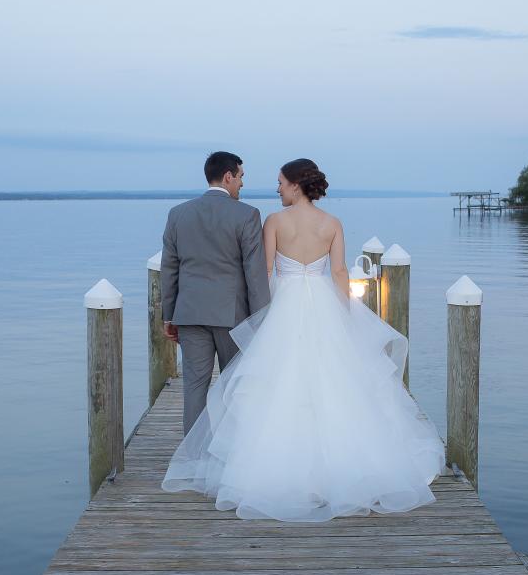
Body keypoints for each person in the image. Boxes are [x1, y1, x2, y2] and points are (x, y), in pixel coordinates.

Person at [162, 158, 445, 522]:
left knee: (263, 385)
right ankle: (340, 466)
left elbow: (262, 272)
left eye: (280, 182)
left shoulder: (273, 222)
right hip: (323, 305)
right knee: (333, 383)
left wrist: (259, 318)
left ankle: (223, 461)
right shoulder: (332, 224)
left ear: (295, 184)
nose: (276, 188)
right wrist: (344, 318)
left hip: (278, 307)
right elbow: (340, 271)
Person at [159, 151, 270, 434]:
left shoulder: (178, 214)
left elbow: (169, 268)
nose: (242, 184)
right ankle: (229, 456)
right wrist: (260, 321)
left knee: (194, 387)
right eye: (241, 177)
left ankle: (193, 460)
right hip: (232, 316)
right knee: (234, 387)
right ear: (228, 176)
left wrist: (168, 317)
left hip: (190, 313)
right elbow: (254, 274)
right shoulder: (247, 215)